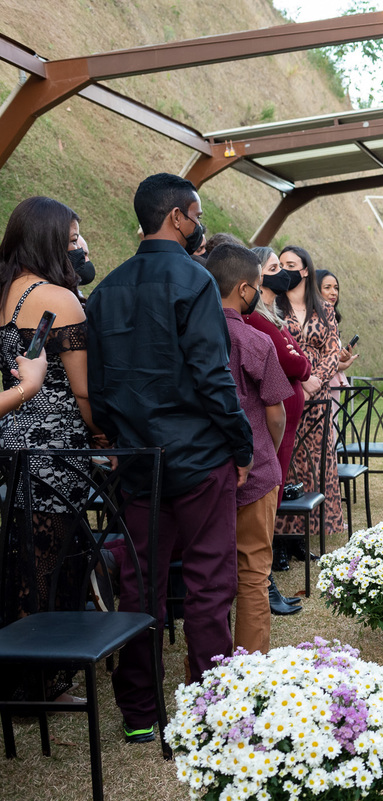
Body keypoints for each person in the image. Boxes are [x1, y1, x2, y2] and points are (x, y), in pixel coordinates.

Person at [87, 173, 253, 743]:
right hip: (200, 456)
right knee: (209, 584)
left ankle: (139, 713)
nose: (199, 222)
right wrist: (240, 444)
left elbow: (100, 387)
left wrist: (116, 434)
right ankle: (212, 710)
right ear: (179, 217)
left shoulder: (105, 289)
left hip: (137, 461)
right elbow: (213, 376)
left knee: (139, 586)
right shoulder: (194, 280)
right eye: (197, 212)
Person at [0, 197, 95, 705]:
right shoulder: (59, 297)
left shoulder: (4, 294)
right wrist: (103, 438)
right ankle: (40, 682)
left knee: (18, 561)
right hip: (57, 451)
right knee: (54, 564)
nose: (78, 246)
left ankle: (19, 673)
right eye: (72, 236)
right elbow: (82, 392)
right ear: (49, 239)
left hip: (10, 445)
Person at [205, 244, 292, 652]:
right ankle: (251, 667)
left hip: (205, 471)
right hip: (256, 470)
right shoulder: (257, 341)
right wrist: (268, 452)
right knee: (254, 574)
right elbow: (276, 414)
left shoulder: (192, 338)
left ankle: (209, 666)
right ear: (244, 290)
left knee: (209, 575)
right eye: (259, 284)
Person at [250, 247, 310, 607]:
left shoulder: (272, 316)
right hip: (275, 422)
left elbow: (298, 360)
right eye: (273, 268)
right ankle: (264, 580)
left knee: (274, 491)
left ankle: (266, 576)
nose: (280, 274)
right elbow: (296, 365)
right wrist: (299, 363)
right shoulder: (259, 321)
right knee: (267, 496)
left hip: (285, 423)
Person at [274, 245, 344, 547]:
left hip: (318, 394)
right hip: (287, 391)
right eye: (280, 264)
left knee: (316, 460)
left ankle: (308, 531)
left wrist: (316, 379)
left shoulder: (324, 309)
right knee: (287, 459)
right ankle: (283, 535)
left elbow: (333, 350)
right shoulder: (274, 306)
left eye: (291, 264)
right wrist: (300, 382)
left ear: (305, 270)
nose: (285, 269)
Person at [315, 268, 356, 387]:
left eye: (336, 288)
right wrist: (340, 364)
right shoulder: (313, 322)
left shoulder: (332, 319)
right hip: (319, 385)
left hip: (332, 382)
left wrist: (342, 358)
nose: (334, 292)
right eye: (327, 288)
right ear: (315, 290)